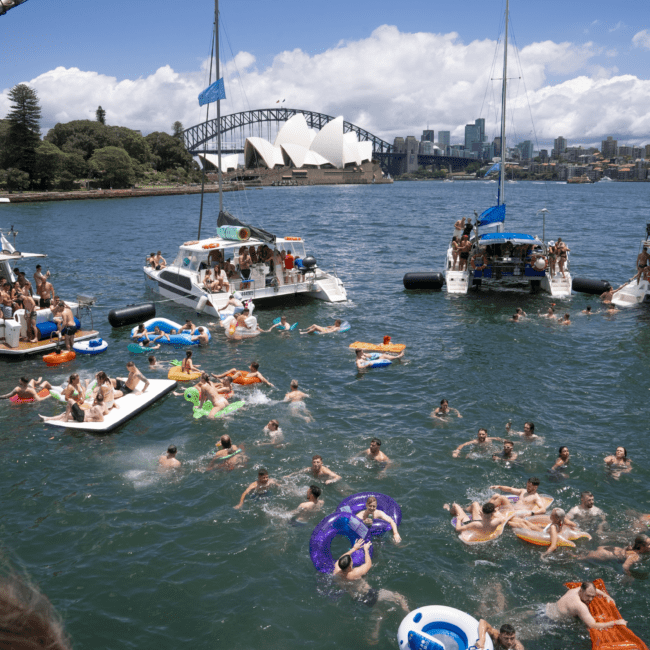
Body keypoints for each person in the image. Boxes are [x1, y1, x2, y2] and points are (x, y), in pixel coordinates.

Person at [545, 581, 626, 630]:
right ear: (581, 591)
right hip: (549, 621)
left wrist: (607, 596)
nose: (590, 599)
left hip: (545, 609)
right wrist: (616, 622)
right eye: (588, 596)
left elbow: (594, 590)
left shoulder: (574, 590)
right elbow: (593, 625)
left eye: (592, 596)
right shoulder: (579, 606)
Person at [580, 535, 650, 577]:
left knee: (580, 553)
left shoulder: (631, 547)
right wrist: (630, 577)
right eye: (649, 544)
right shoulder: (635, 556)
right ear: (641, 546)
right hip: (604, 555)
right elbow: (625, 567)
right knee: (576, 558)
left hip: (606, 548)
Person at [40, 391, 107, 423]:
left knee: (70, 401)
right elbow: (106, 412)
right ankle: (47, 418)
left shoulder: (96, 408)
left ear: (97, 400)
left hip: (82, 416)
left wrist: (89, 419)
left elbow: (102, 419)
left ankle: (65, 419)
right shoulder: (103, 404)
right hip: (81, 415)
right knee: (63, 414)